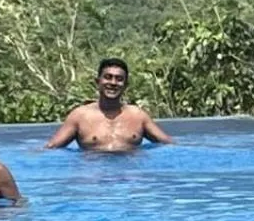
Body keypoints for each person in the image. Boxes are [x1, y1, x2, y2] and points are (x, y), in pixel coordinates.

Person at [45, 58, 173, 152]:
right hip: (94, 176)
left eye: (119, 79)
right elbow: (51, 148)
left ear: (126, 85)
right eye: (108, 77)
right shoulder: (80, 116)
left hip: (130, 175)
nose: (113, 83)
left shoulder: (138, 115)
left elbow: (170, 145)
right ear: (98, 82)